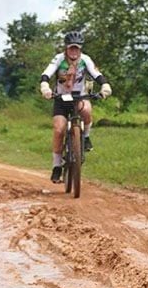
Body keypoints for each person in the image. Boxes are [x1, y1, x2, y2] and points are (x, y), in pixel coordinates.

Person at [39, 31, 111, 183]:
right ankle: (57, 166)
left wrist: (104, 86)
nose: (74, 51)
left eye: (77, 48)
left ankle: (85, 137)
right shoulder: (59, 59)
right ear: (66, 48)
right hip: (61, 98)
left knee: (86, 110)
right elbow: (47, 73)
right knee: (59, 130)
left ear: (80, 49)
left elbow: (97, 74)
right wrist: (45, 86)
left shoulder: (85, 60)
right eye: (71, 48)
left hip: (79, 96)